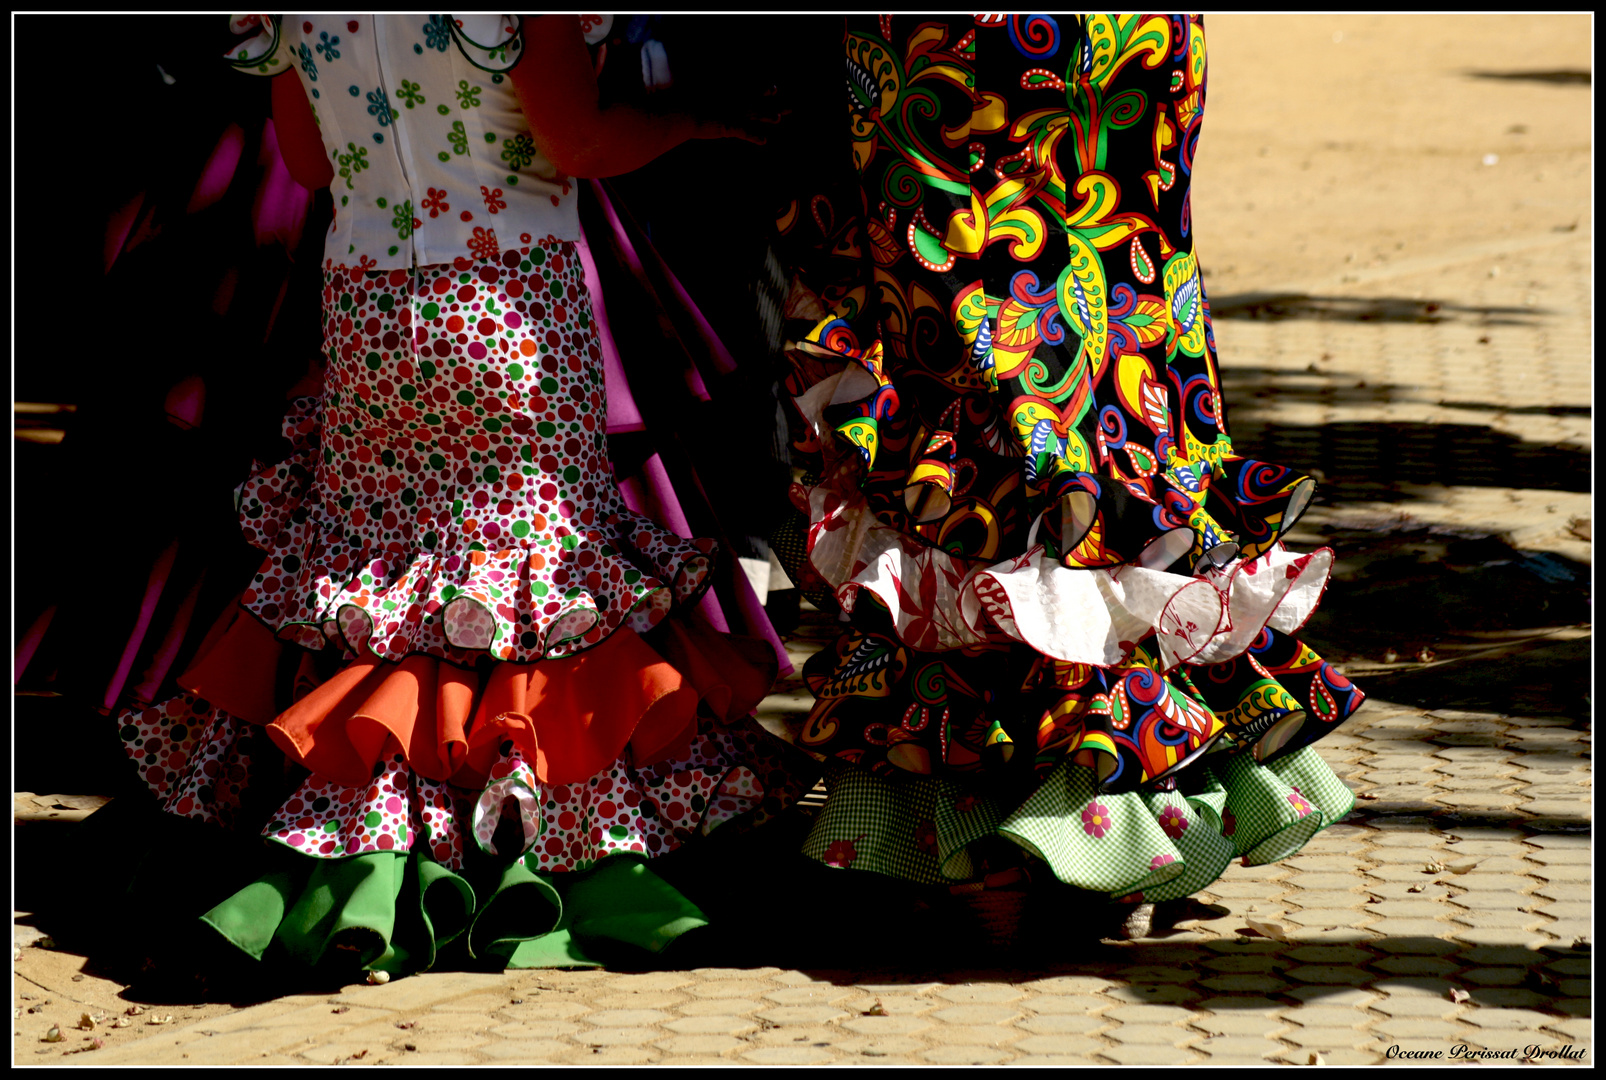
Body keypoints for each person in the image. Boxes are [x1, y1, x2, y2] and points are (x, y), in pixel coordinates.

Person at [80, 13, 816, 983]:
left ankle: (379, 857)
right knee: (529, 586)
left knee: (388, 585)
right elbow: (577, 140)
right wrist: (699, 124)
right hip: (509, 305)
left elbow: (305, 159)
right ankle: (561, 860)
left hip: (371, 306)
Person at [771, 14, 1366, 938]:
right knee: (1120, 348)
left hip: (955, 51)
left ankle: (1006, 824)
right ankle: (1120, 809)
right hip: (1127, 36)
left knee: (979, 377)